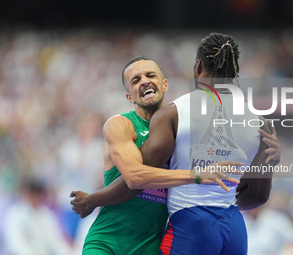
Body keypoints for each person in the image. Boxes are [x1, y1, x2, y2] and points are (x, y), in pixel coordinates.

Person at [71, 34, 281, 254]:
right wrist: (218, 196)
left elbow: (136, 181)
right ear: (128, 96)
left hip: (169, 236)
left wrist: (93, 199)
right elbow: (256, 196)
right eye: (135, 80)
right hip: (112, 241)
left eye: (150, 75)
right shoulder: (121, 125)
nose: (144, 81)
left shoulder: (175, 116)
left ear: (167, 82)